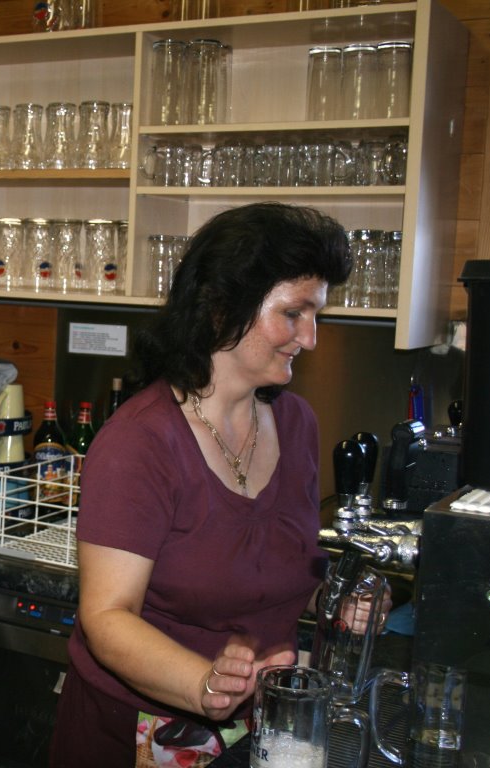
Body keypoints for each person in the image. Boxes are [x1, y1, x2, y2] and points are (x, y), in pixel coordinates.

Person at [50, 202, 353, 768]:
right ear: (220, 309)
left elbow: (285, 564)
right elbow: (108, 616)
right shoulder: (140, 442)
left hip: (266, 729)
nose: (310, 338)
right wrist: (204, 682)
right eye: (293, 313)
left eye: (317, 315)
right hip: (142, 735)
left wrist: (340, 597)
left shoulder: (298, 425)